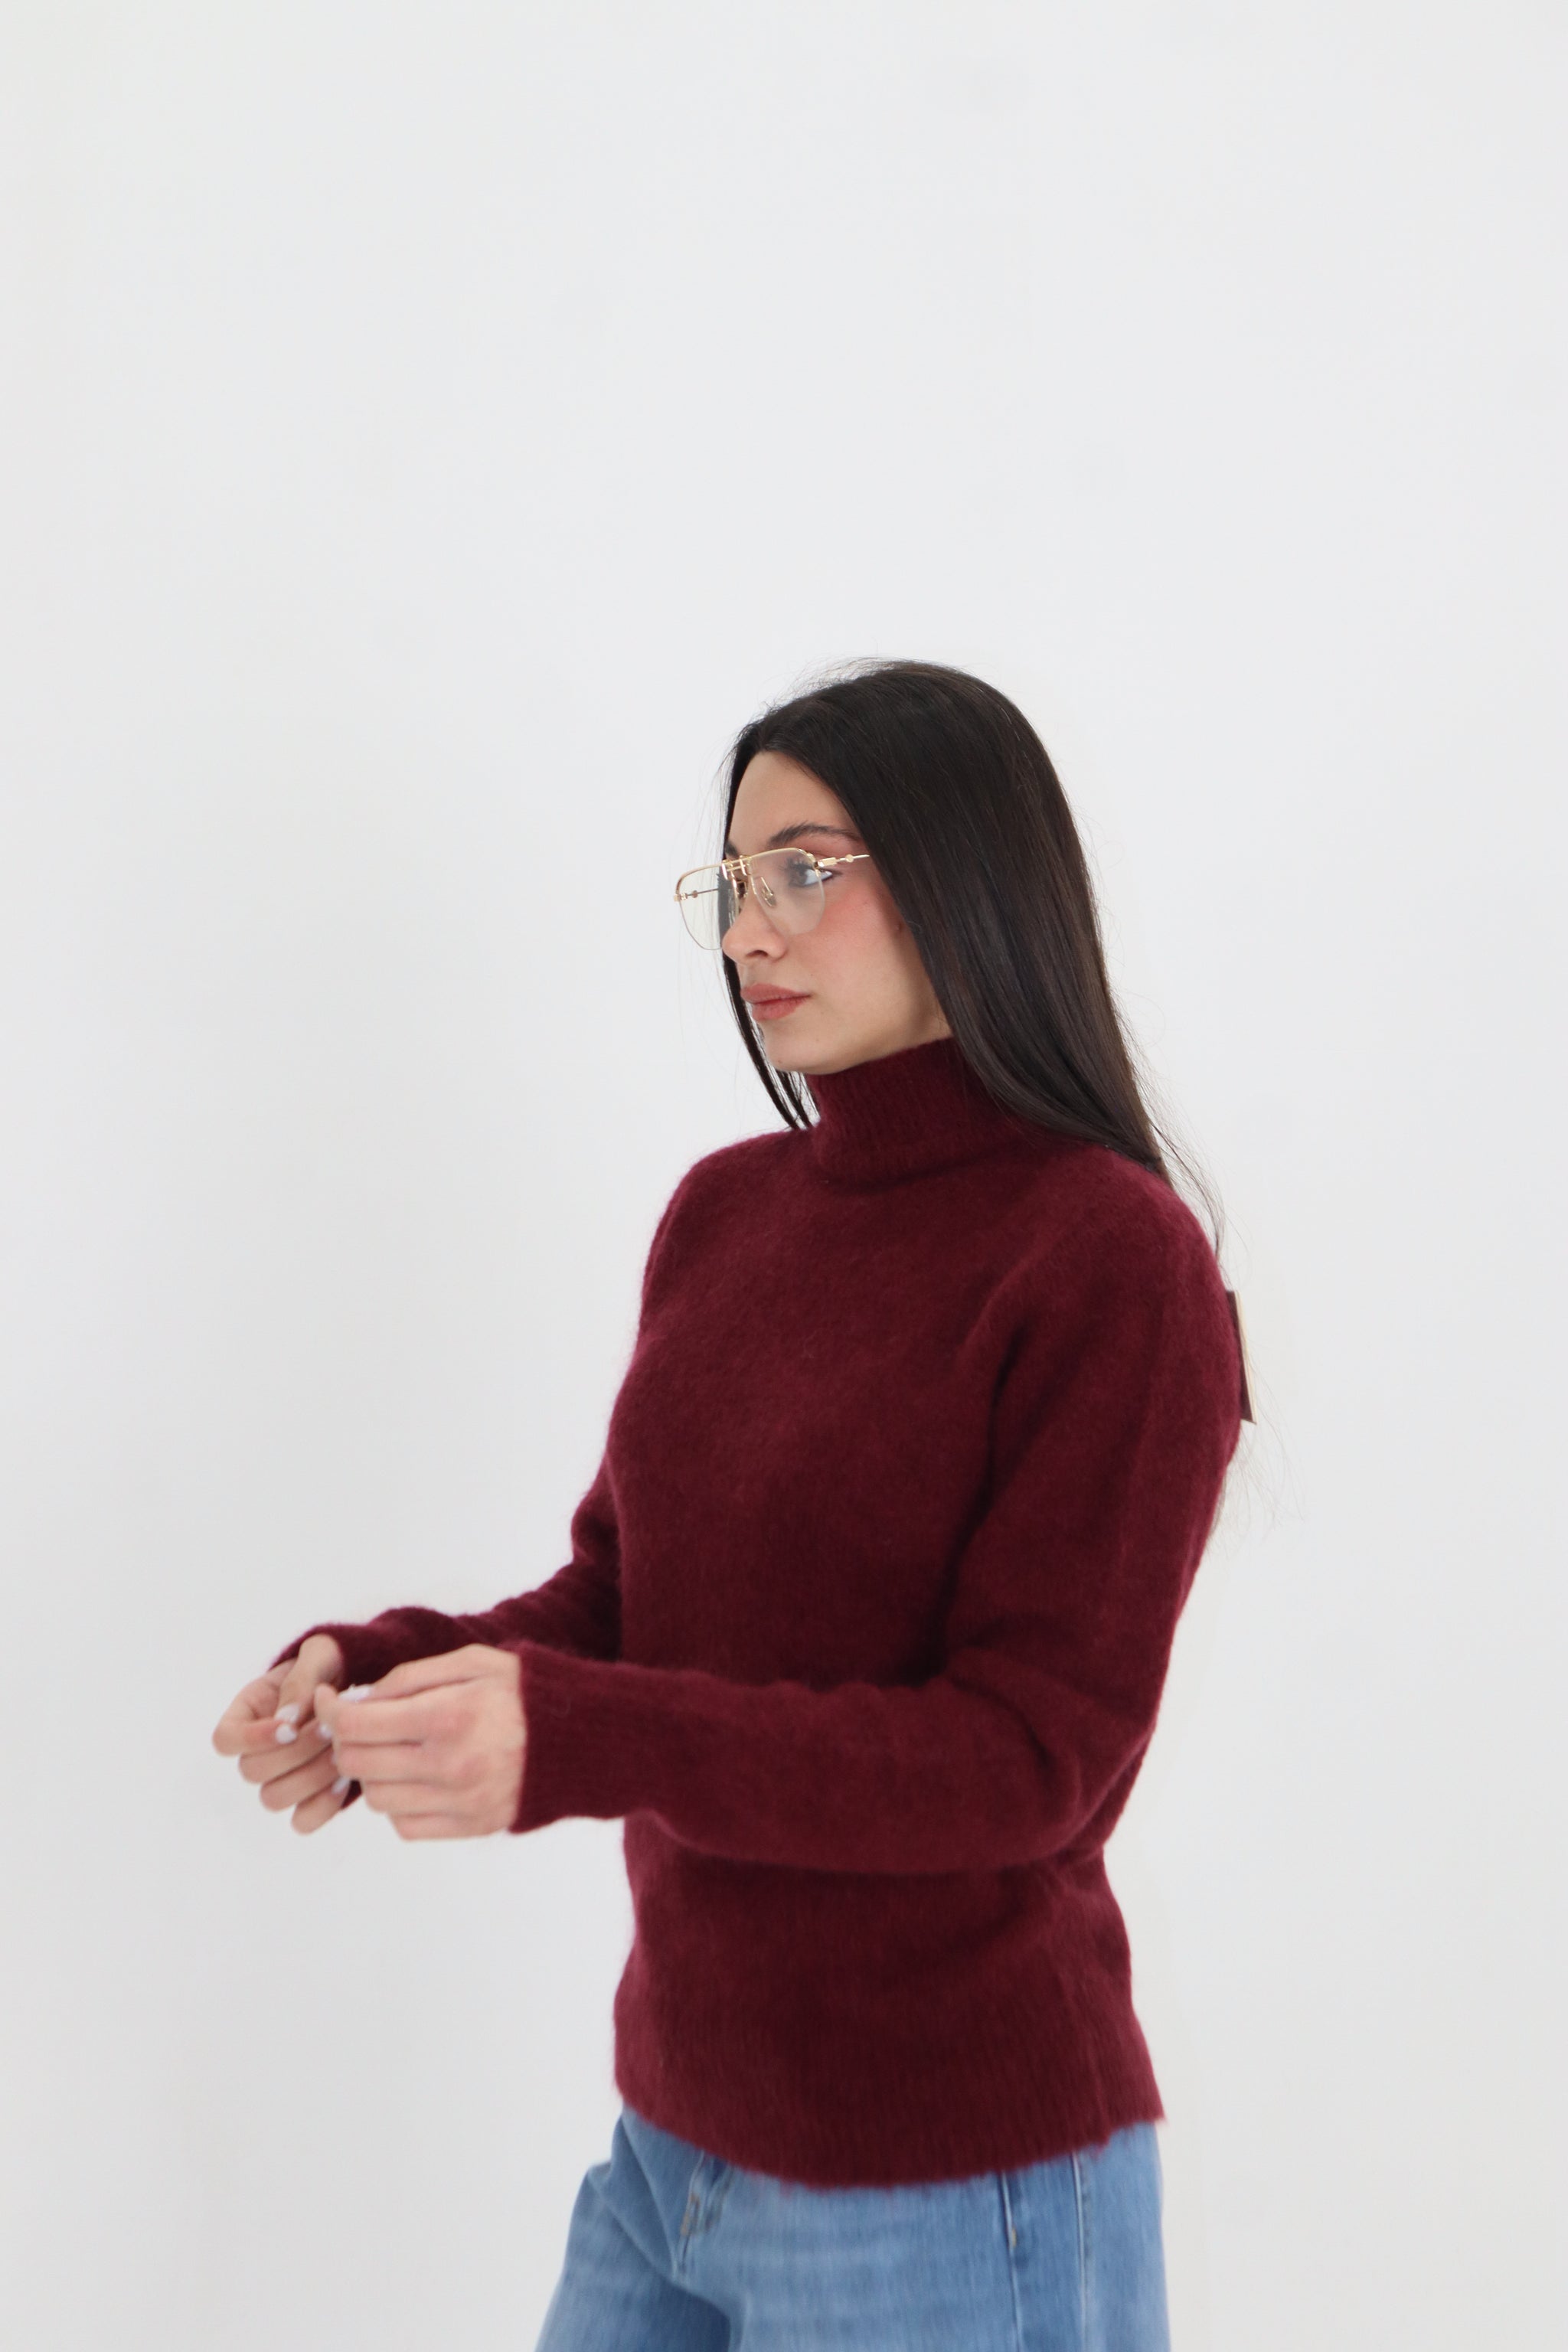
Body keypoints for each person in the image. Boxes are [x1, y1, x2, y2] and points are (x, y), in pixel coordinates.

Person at [212, 658, 1248, 2349]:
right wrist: (385, 1670)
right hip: (672, 2143)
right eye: (733, 884)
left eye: (805, 873)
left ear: (970, 874)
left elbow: (1028, 1763)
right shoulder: (727, 1212)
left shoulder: (1109, 1258)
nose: (749, 932)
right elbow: (624, 1605)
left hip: (945, 2187)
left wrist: (571, 1737)